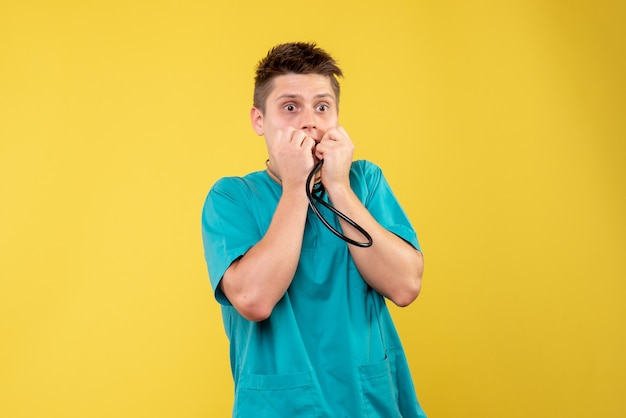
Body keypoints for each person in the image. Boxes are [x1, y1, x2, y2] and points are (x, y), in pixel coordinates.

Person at [201, 42, 426, 417]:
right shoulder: (232, 197)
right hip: (280, 405)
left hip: (369, 401)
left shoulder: (364, 181)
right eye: (290, 108)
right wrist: (295, 185)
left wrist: (338, 186)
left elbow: (404, 286)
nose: (310, 121)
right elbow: (254, 300)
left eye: (322, 107)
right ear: (259, 121)